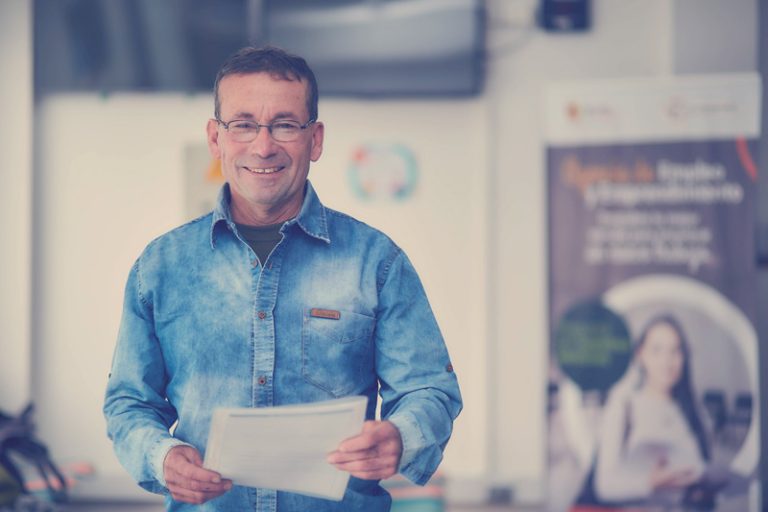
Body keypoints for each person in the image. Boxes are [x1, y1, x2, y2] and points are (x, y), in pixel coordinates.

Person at [103, 45, 462, 512]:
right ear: (216, 139)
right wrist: (161, 457)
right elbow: (129, 403)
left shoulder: (377, 262)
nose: (264, 145)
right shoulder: (161, 266)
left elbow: (429, 389)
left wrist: (401, 435)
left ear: (314, 139)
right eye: (244, 124)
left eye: (285, 125)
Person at [591, 315, 710, 507]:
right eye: (657, 350)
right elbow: (604, 486)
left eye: (675, 351)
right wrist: (649, 482)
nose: (667, 361)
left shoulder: (693, 410)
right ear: (641, 354)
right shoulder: (624, 406)